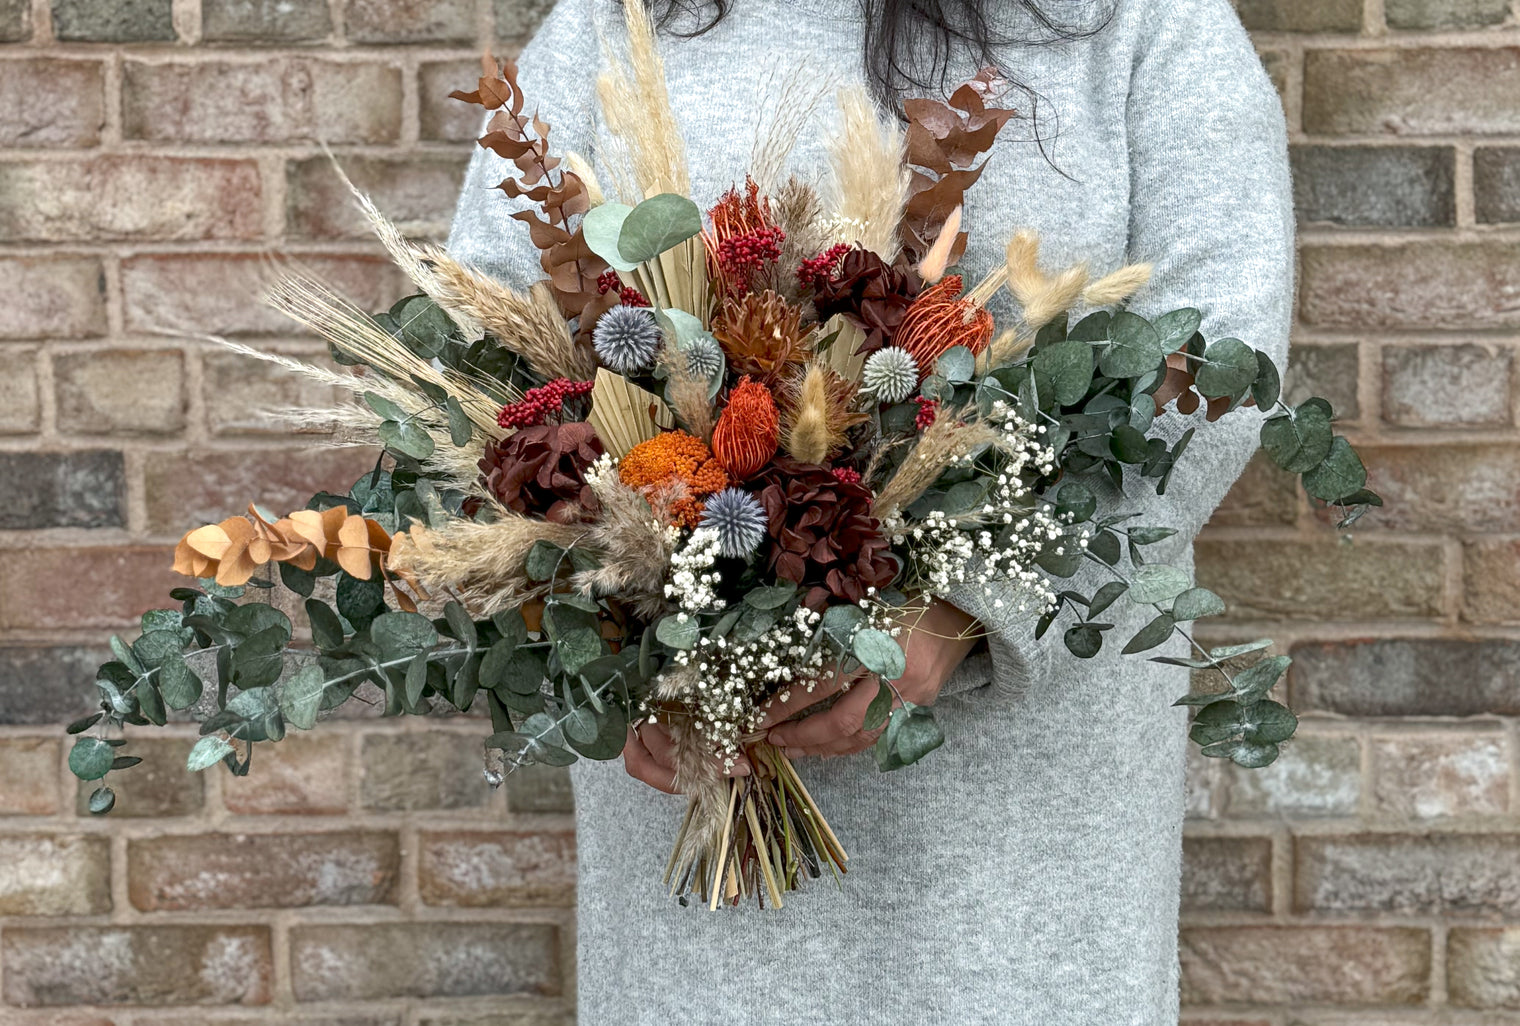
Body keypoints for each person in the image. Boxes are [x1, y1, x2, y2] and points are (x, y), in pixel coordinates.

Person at [447, 0, 1291, 1021]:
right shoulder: (614, 23)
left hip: (1020, 853)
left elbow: (1215, 365)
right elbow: (484, 354)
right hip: (698, 816)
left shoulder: (1141, 25)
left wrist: (961, 611)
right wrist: (610, 642)